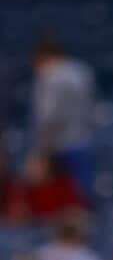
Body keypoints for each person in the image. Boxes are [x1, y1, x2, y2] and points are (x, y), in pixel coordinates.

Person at [29, 38, 96, 201]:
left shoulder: (49, 74)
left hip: (59, 147)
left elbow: (48, 116)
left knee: (62, 201)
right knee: (82, 197)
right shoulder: (82, 71)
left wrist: (41, 151)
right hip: (83, 142)